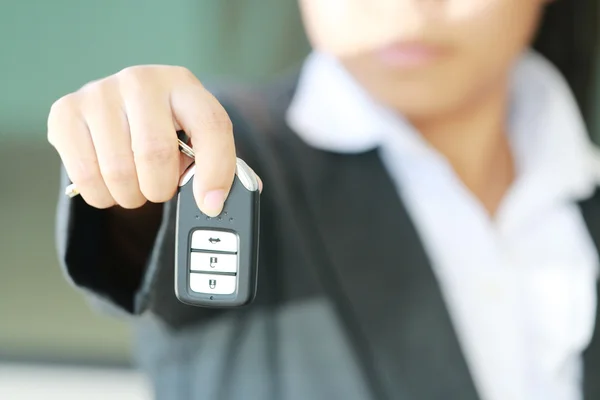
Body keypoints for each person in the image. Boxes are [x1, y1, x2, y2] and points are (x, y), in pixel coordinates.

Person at [47, 0, 600, 399]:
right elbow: (146, 232)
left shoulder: (580, 178)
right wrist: (139, 151)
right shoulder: (235, 155)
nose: (408, 6)